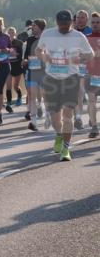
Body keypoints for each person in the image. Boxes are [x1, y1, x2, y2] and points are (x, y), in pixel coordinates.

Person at [35, 10, 94, 161]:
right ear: (56, 22)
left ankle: (66, 149)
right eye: (61, 24)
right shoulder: (48, 34)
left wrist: (80, 59)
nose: (64, 27)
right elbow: (38, 50)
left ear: (71, 22)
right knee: (55, 118)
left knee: (68, 116)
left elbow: (90, 54)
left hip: (70, 79)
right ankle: (59, 135)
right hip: (52, 79)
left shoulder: (78, 36)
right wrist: (44, 57)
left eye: (67, 24)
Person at [23, 19, 46, 131]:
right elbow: (26, 55)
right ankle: (33, 122)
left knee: (44, 95)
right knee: (31, 95)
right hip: (32, 70)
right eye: (32, 26)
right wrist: (25, 60)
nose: (32, 28)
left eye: (34, 26)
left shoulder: (46, 39)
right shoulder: (30, 39)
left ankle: (46, 114)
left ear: (40, 27)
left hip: (44, 71)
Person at [73, 10, 92, 130]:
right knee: (78, 94)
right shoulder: (71, 33)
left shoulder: (91, 32)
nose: (80, 19)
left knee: (91, 95)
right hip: (77, 67)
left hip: (91, 67)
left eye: (82, 17)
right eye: (78, 17)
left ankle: (91, 116)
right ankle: (78, 118)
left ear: (87, 19)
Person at [5, 26, 25, 110]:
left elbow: (21, 54)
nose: (10, 34)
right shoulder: (5, 43)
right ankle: (9, 103)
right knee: (8, 85)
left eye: (12, 33)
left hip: (17, 66)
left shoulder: (19, 43)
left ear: (15, 34)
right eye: (9, 33)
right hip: (8, 66)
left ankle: (19, 97)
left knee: (15, 86)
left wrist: (14, 53)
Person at [87, 13, 100, 138]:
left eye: (98, 22)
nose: (95, 24)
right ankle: (94, 127)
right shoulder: (86, 39)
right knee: (91, 100)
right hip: (92, 75)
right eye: (93, 22)